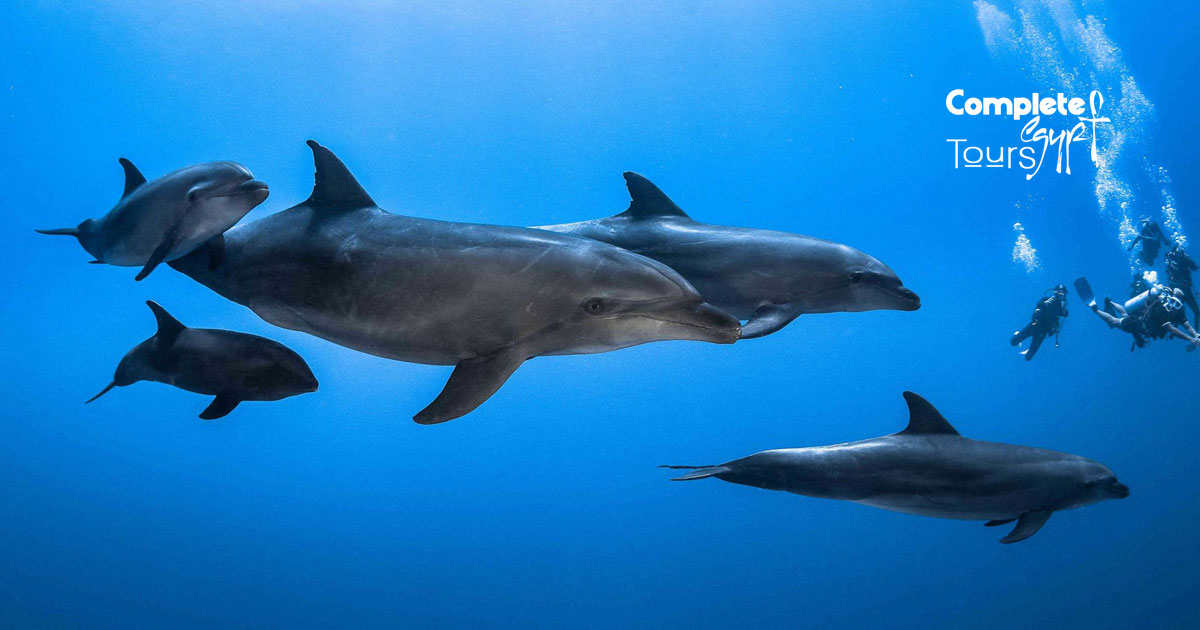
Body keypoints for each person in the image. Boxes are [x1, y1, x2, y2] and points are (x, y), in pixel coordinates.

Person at [1075, 277, 1200, 352]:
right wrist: (1191, 339)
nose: (1173, 306)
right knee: (1116, 322)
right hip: (1138, 324)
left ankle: (1110, 302)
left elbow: (1187, 326)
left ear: (1181, 304)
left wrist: (1196, 335)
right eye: (1172, 302)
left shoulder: (1179, 311)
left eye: (1177, 304)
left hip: (1141, 321)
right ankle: (1094, 308)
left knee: (1124, 314)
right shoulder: (1160, 308)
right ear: (1169, 298)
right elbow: (1171, 329)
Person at [1010, 285, 1068, 360]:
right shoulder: (1047, 300)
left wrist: (1063, 313)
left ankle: (1023, 347)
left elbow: (1060, 314)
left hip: (1042, 331)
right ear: (1055, 293)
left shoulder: (1061, 306)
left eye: (1063, 294)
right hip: (1035, 326)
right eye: (1059, 293)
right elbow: (1042, 306)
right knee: (1013, 342)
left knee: (1028, 357)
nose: (1061, 295)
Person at [1165, 245, 1198, 326]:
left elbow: (1194, 268)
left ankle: (1173, 328)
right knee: (1196, 312)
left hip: (1178, 289)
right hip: (1184, 289)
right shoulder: (1183, 260)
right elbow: (1194, 268)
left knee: (1175, 311)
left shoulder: (1171, 261)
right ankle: (1196, 334)